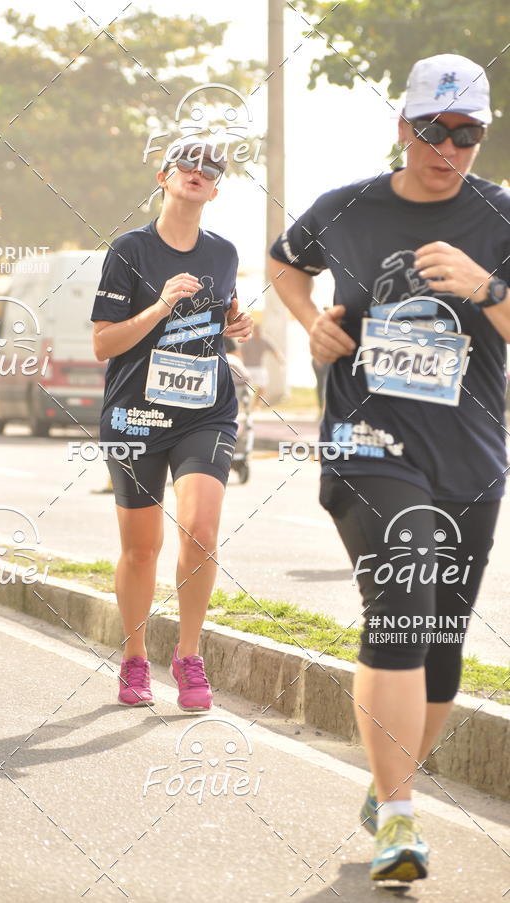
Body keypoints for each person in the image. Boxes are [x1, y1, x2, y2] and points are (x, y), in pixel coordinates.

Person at [269, 54, 509, 882]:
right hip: (367, 443)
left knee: (440, 642)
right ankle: (401, 820)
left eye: (467, 133)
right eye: (432, 130)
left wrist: (487, 288)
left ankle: (387, 781)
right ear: (401, 127)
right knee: (403, 598)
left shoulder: (502, 218)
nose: (448, 148)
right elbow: (283, 261)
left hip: (472, 457)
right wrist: (311, 321)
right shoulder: (348, 208)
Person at [91, 139, 252, 712]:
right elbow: (103, 343)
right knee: (142, 548)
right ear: (163, 175)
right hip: (136, 412)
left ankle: (188, 656)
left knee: (201, 530)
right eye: (188, 163)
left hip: (206, 410)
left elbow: (223, 314)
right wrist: (159, 307)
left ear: (217, 187)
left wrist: (237, 323)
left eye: (213, 168)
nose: (200, 172)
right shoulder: (130, 250)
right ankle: (134, 658)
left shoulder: (225, 252)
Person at [241, 319, 284, 409]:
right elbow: (240, 353)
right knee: (246, 388)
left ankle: (256, 405)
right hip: (248, 368)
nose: (257, 332)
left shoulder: (264, 340)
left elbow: (274, 350)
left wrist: (280, 359)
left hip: (259, 367)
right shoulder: (247, 340)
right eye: (256, 330)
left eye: (259, 330)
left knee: (263, 386)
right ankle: (246, 404)